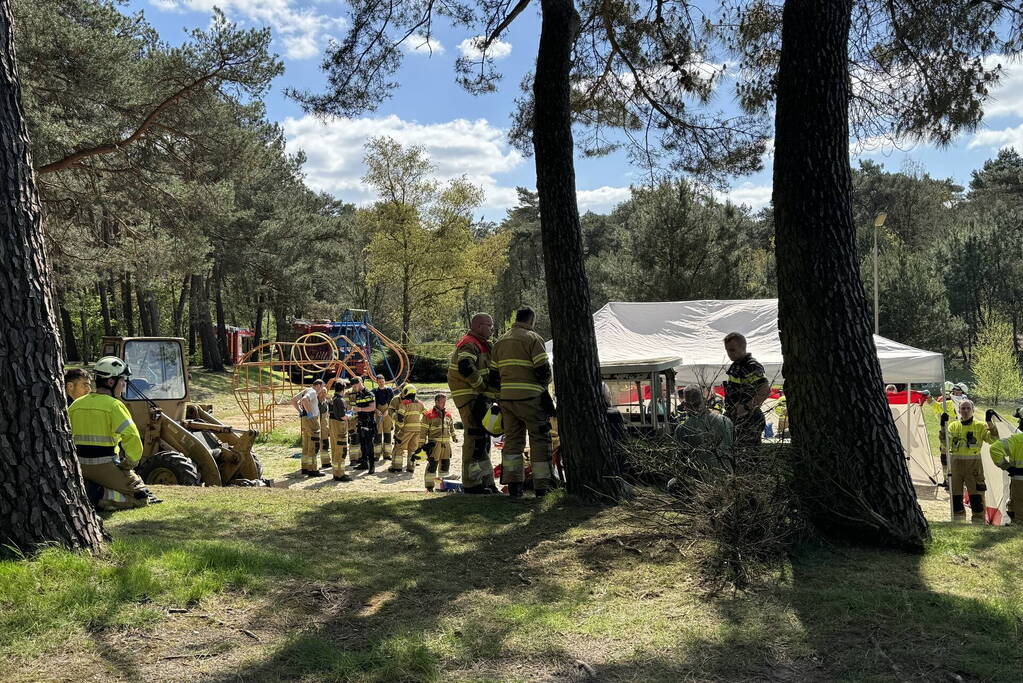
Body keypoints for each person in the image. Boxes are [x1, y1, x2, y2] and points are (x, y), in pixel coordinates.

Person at [68, 356, 153, 510]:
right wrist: (130, 463)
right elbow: (131, 436)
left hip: (79, 465)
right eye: (122, 382)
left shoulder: (75, 405)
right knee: (142, 497)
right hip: (106, 465)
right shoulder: (114, 406)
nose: (124, 387)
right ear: (111, 382)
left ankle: (90, 491)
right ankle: (99, 496)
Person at [490, 307, 554, 498]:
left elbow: (493, 376)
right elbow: (543, 370)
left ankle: (514, 484)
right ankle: (542, 486)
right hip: (530, 398)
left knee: (512, 441)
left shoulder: (500, 342)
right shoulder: (533, 339)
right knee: (539, 438)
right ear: (532, 320)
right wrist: (543, 386)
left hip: (507, 400)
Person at [447, 312, 498, 494]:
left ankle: (487, 481)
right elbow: (465, 367)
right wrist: (483, 388)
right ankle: (472, 484)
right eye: (489, 326)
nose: (492, 329)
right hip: (470, 397)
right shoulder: (469, 343)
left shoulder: (484, 345)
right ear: (478, 326)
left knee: (483, 440)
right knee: (475, 438)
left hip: (479, 397)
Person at [939, 400, 996, 521]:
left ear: (973, 410)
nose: (965, 411)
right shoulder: (953, 426)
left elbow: (993, 440)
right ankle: (958, 522)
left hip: (974, 467)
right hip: (955, 466)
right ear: (958, 410)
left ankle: (979, 522)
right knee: (956, 496)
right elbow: (945, 443)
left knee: (977, 497)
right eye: (963, 408)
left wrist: (989, 422)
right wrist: (942, 426)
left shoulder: (980, 426)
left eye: (968, 408)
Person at [721, 332, 771, 457]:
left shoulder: (751, 366)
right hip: (736, 418)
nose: (729, 353)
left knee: (749, 457)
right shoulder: (736, 366)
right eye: (727, 350)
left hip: (750, 419)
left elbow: (764, 390)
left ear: (743, 347)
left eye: (732, 350)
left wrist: (746, 407)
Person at [673, 386, 734, 469]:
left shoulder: (683, 429)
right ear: (705, 401)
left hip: (700, 477)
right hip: (729, 474)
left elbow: (680, 461)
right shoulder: (726, 421)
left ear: (686, 406)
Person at [421, 393, 458, 491]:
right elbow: (423, 431)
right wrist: (422, 445)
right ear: (436, 402)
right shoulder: (428, 414)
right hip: (434, 445)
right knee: (432, 465)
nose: (444, 404)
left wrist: (454, 437)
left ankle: (442, 486)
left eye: (445, 402)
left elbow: (451, 427)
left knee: (445, 466)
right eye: (442, 402)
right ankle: (429, 486)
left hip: (446, 445)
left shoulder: (448, 415)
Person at [290, 379, 325, 477]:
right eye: (322, 386)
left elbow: (293, 400)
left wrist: (301, 411)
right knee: (314, 443)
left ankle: (305, 467)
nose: (322, 389)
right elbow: (304, 400)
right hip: (311, 419)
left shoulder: (306, 390)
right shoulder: (313, 392)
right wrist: (309, 414)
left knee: (306, 443)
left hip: (304, 420)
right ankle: (313, 469)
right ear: (317, 385)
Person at [988, 431, 1023, 523]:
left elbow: (995, 449)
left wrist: (1008, 468)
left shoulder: (1017, 439)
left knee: (1018, 516)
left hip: (1019, 484)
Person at [390, 384, 426, 473]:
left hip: (406, 429)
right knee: (413, 448)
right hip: (417, 430)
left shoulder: (404, 403)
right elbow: (426, 414)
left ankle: (397, 467)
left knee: (399, 447)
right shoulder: (420, 403)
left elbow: (400, 417)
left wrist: (400, 426)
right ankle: (411, 468)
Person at [349, 376, 377, 473]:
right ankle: (364, 463)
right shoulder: (357, 395)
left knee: (369, 445)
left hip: (369, 423)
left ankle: (372, 465)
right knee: (362, 444)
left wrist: (360, 409)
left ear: (360, 383)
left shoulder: (369, 394)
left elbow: (372, 407)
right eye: (353, 386)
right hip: (360, 422)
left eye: (355, 386)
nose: (354, 388)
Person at [327, 381, 352, 482]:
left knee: (335, 450)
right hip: (340, 427)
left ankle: (335, 473)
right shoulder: (340, 400)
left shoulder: (332, 399)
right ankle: (340, 474)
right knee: (341, 450)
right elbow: (343, 416)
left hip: (333, 425)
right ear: (343, 389)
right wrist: (352, 415)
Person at [372, 375, 396, 461]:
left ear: (384, 381)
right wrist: (376, 410)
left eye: (383, 381)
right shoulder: (374, 391)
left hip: (387, 414)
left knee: (387, 434)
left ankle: (387, 454)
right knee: (378, 434)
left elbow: (393, 403)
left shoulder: (389, 390)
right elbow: (371, 404)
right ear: (377, 382)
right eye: (380, 382)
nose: (381, 383)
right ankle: (377, 454)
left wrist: (388, 410)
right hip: (378, 415)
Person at [317, 381, 331, 470]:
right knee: (315, 446)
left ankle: (326, 462)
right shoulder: (315, 403)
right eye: (322, 392)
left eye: (325, 392)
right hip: (316, 428)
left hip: (325, 428)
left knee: (325, 444)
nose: (323, 394)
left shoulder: (326, 403)